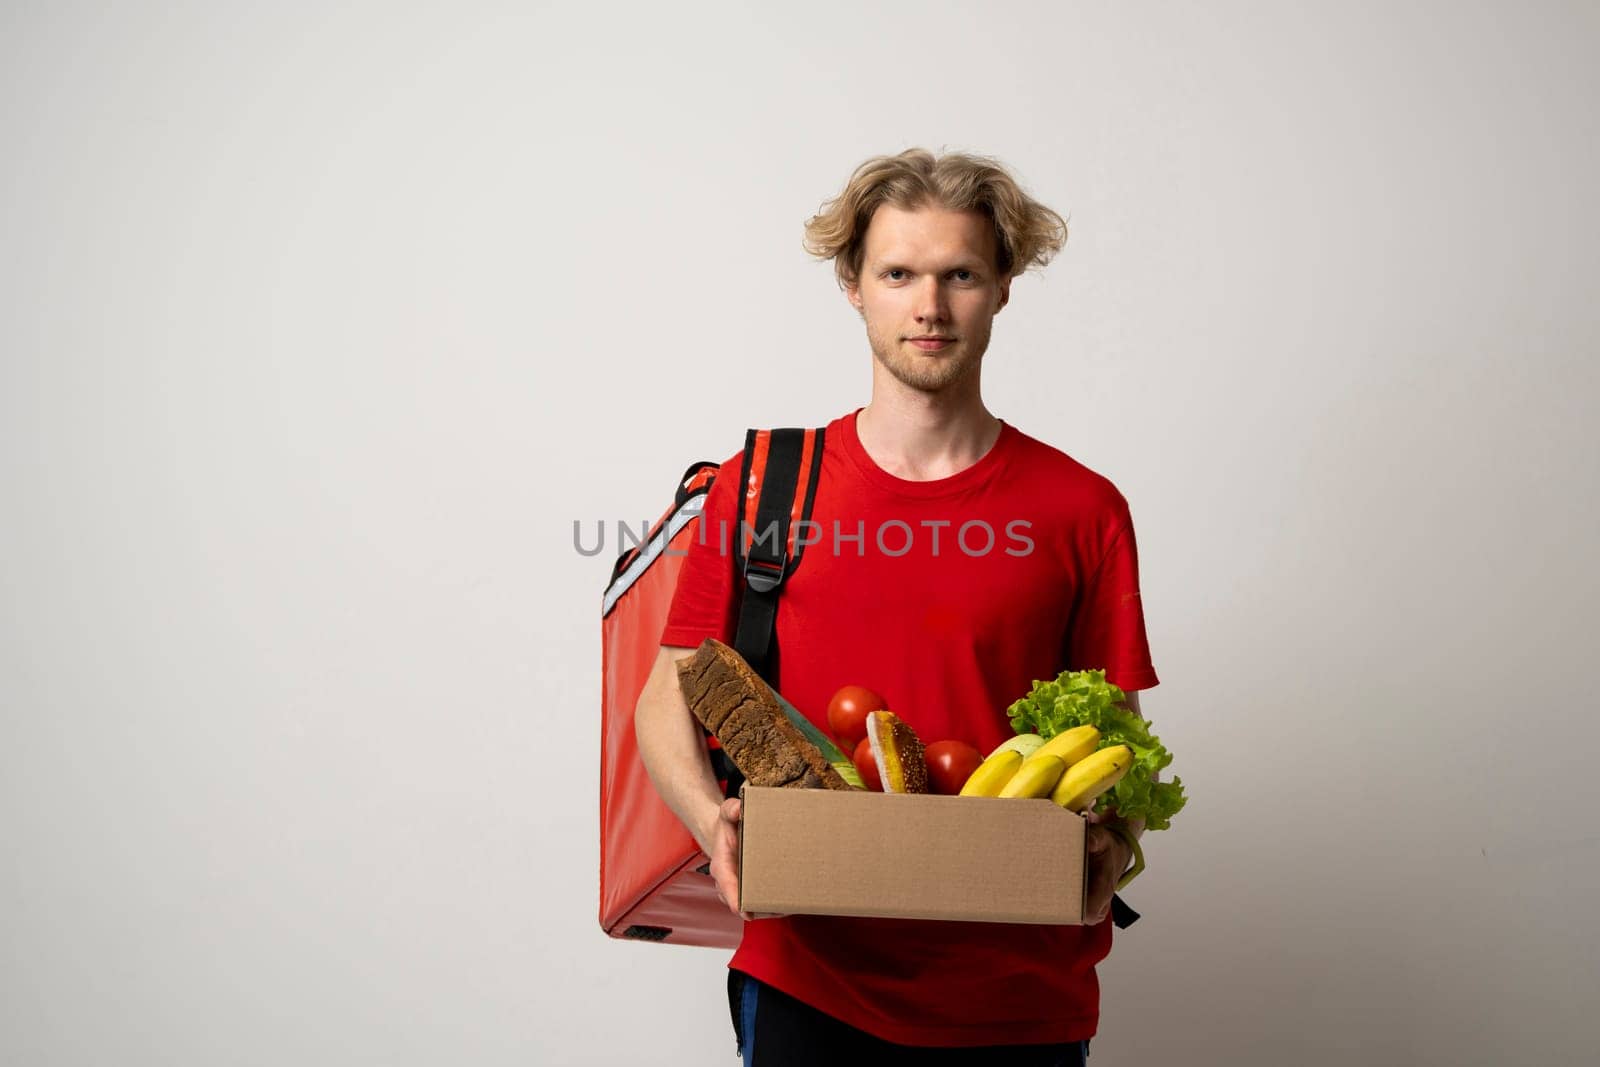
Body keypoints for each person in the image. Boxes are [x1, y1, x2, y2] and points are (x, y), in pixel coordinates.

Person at [634, 148, 1160, 1065]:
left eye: (960, 273)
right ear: (852, 285)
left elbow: (1115, 735)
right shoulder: (763, 487)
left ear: (1001, 288)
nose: (929, 305)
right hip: (810, 977)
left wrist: (1113, 844)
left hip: (1020, 996)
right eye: (899, 273)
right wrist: (710, 825)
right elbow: (667, 693)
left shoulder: (1082, 507)